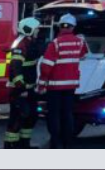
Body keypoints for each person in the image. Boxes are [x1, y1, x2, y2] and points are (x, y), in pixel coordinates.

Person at [38, 13, 86, 149]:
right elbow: (83, 54)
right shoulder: (79, 42)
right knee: (67, 114)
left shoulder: (55, 43)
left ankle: (55, 143)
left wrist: (41, 84)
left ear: (60, 27)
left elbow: (46, 65)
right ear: (73, 27)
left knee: (54, 115)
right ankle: (67, 143)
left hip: (54, 86)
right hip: (71, 86)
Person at [4, 17, 44, 148]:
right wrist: (21, 88)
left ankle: (24, 144)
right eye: (36, 29)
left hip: (30, 88)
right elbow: (15, 67)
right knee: (18, 117)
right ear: (29, 29)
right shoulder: (20, 44)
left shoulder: (30, 42)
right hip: (20, 89)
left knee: (31, 116)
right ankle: (11, 145)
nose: (38, 31)